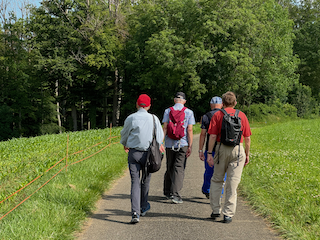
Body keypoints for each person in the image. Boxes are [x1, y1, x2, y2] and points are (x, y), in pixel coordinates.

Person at [207, 91, 251, 223]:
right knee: (233, 182)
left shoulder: (218, 115)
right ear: (235, 102)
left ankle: (215, 210)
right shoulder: (242, 115)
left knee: (216, 180)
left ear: (223, 103)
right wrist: (247, 154)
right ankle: (228, 214)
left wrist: (209, 153)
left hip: (221, 149)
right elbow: (247, 138)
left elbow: (213, 136)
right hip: (238, 150)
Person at [120, 94, 164, 224]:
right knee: (146, 180)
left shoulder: (131, 118)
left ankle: (135, 212)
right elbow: (160, 136)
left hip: (134, 153)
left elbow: (125, 133)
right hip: (149, 154)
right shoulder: (154, 118)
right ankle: (143, 206)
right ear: (149, 105)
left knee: (135, 182)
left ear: (137, 104)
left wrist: (125, 144)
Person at [162, 92, 196, 204]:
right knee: (179, 168)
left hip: (169, 144)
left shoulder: (168, 111)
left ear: (174, 100)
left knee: (169, 166)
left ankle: (167, 191)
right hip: (182, 143)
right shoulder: (189, 112)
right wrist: (190, 146)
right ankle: (175, 194)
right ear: (184, 101)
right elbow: (189, 130)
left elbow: (165, 127)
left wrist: (160, 142)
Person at [198, 96, 223, 199]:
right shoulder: (225, 115)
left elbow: (203, 134)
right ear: (221, 104)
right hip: (223, 148)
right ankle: (219, 192)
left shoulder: (206, 116)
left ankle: (207, 189)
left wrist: (200, 149)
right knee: (221, 171)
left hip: (210, 148)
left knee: (209, 170)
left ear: (211, 105)